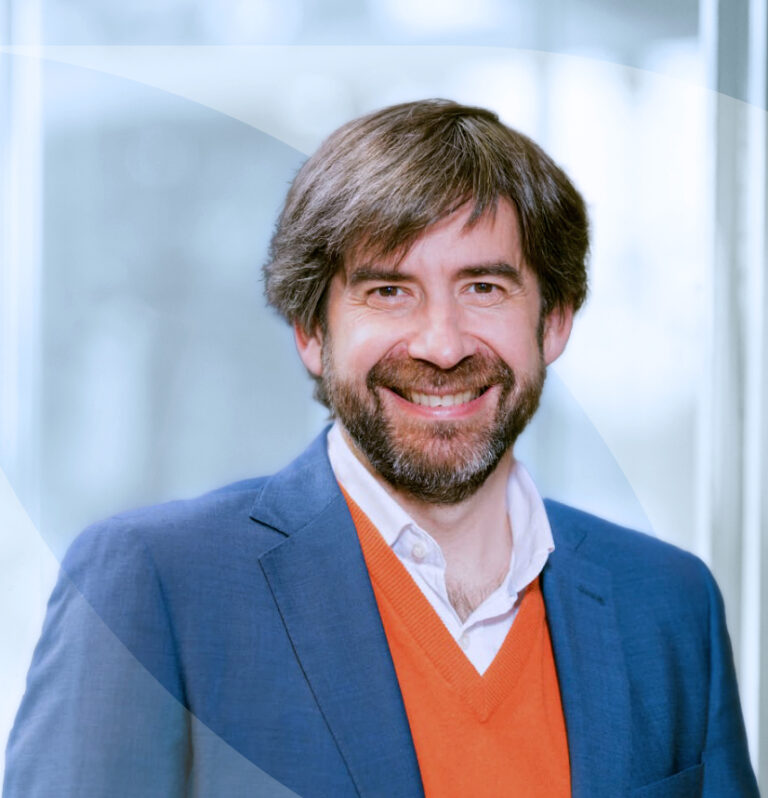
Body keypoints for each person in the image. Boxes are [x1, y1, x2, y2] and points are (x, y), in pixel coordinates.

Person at [4, 100, 758, 797]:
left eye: (484, 288)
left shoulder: (667, 604)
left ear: (554, 321)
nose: (442, 345)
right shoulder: (157, 586)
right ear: (312, 332)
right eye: (388, 291)